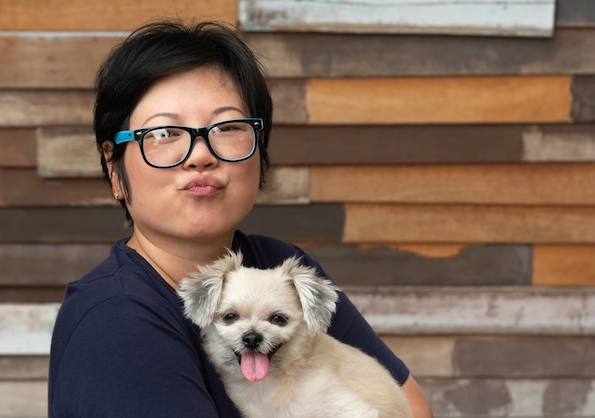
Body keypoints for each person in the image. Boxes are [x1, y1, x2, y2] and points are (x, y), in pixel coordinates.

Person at [48, 19, 434, 417]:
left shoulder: (275, 262)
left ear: (260, 148)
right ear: (115, 169)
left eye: (227, 127)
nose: (201, 155)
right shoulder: (117, 320)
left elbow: (413, 408)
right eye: (164, 133)